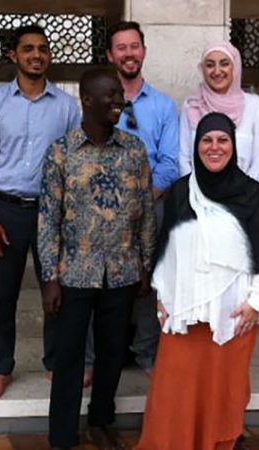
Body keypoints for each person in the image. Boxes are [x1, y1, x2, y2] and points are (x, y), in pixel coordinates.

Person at [136, 112, 259, 450]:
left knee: (222, 390)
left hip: (234, 314)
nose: (214, 147)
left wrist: (256, 303)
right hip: (184, 311)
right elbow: (167, 248)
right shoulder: (181, 191)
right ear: (197, 145)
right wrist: (163, 298)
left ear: (233, 145)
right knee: (173, 391)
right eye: (207, 140)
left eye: (222, 140)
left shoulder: (250, 194)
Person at [38, 68, 156, 450]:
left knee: (110, 354)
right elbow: (48, 218)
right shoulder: (61, 152)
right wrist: (49, 278)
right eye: (109, 95)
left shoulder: (134, 150)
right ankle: (62, 435)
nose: (118, 100)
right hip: (74, 273)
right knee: (70, 357)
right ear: (86, 99)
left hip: (122, 271)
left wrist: (145, 265)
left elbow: (144, 212)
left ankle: (101, 420)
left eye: (119, 94)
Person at [0, 25, 81, 400]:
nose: (37, 54)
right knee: (3, 296)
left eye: (43, 49)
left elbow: (74, 167)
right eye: (29, 48)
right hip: (6, 211)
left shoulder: (67, 107)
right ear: (13, 56)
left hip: (53, 214)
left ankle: (54, 362)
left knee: (57, 293)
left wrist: (69, 221)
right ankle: (2, 368)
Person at [84, 20, 179, 385]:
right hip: (101, 212)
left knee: (148, 282)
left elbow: (170, 163)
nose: (128, 53)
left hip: (150, 207)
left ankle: (146, 352)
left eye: (134, 46)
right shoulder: (97, 102)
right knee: (97, 283)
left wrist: (138, 202)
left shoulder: (164, 106)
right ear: (110, 55)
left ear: (144, 51)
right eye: (120, 47)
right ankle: (92, 359)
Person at [179, 41, 259, 188]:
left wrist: (246, 198)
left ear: (235, 67)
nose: (217, 71)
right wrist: (196, 196)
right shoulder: (191, 106)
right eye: (210, 65)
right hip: (197, 201)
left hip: (243, 201)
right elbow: (184, 158)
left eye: (224, 63)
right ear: (202, 69)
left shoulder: (255, 107)